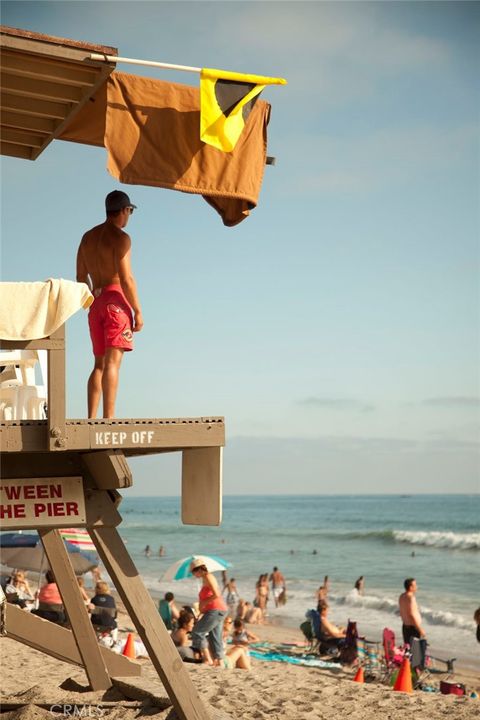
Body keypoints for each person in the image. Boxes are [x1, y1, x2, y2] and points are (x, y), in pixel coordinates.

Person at [76, 190, 143, 419]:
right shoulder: (121, 238)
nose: (129, 216)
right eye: (130, 211)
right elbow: (127, 279)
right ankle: (109, 419)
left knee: (99, 364)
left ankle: (92, 418)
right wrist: (138, 311)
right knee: (113, 362)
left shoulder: (87, 237)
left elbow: (80, 277)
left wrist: (92, 300)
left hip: (95, 302)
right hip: (116, 300)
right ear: (124, 210)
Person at [189, 559, 228, 665]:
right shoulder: (205, 578)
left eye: (193, 572)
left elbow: (217, 594)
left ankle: (207, 659)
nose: (193, 574)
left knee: (197, 632)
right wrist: (202, 608)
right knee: (214, 636)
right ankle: (219, 661)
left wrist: (203, 603)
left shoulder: (208, 577)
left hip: (216, 609)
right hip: (216, 610)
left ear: (199, 570)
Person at [398, 578, 426, 646]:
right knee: (415, 650)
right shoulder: (411, 598)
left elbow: (401, 612)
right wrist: (420, 629)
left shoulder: (402, 596)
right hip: (413, 628)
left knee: (408, 648)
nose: (417, 587)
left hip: (405, 626)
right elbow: (411, 614)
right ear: (410, 587)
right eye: (415, 585)